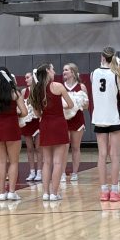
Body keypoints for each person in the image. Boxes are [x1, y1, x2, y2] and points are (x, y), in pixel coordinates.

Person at [29, 63, 73, 201]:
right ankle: (54, 193)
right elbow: (71, 104)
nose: (54, 72)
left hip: (45, 125)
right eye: (53, 69)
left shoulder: (35, 90)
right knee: (58, 162)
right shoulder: (58, 86)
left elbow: (37, 113)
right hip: (59, 124)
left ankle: (46, 193)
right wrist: (61, 106)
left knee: (46, 162)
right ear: (48, 71)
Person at [0, 67, 27, 201]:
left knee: (1, 161)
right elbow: (24, 112)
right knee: (14, 162)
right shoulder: (15, 93)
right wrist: (14, 113)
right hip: (11, 127)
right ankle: (12, 192)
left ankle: (2, 193)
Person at [91, 47, 120, 202]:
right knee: (115, 155)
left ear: (101, 57)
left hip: (99, 117)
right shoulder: (117, 74)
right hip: (114, 117)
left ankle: (103, 191)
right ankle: (114, 191)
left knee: (102, 154)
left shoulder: (93, 74)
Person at [62, 62, 86, 183]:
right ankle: (61, 172)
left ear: (73, 72)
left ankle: (75, 173)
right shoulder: (61, 87)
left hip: (77, 120)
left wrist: (79, 102)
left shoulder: (81, 87)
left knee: (76, 147)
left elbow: (86, 106)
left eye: (66, 70)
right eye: (63, 70)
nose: (64, 72)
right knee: (64, 147)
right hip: (64, 121)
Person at [20, 71, 41, 182]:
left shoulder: (39, 90)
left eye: (27, 77)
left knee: (38, 148)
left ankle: (40, 171)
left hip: (37, 121)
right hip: (27, 122)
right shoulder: (24, 91)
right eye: (25, 77)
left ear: (33, 78)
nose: (26, 79)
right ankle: (32, 171)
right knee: (29, 148)